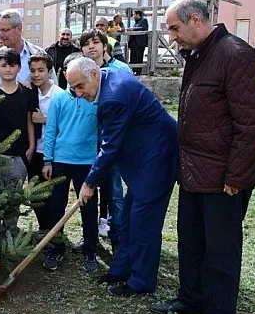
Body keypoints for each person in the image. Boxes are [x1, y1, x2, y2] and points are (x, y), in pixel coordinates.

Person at [149, 0, 255, 314]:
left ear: (196, 20)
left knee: (221, 248)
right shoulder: (199, 57)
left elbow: (252, 123)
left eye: (174, 28)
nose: (172, 38)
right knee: (190, 239)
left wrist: (236, 176)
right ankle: (191, 298)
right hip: (193, 171)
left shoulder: (235, 54)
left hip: (223, 178)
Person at [67, 57, 178, 298]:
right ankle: (120, 270)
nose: (77, 93)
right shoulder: (106, 77)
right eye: (72, 88)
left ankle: (141, 282)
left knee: (143, 224)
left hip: (157, 157)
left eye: (80, 86)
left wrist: (89, 183)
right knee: (129, 217)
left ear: (94, 75)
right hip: (143, 156)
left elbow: (110, 146)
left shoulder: (113, 97)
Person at [41, 55, 99, 273]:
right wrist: (48, 159)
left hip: (87, 163)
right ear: (64, 75)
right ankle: (57, 248)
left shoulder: (94, 98)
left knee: (89, 208)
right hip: (60, 161)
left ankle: (90, 250)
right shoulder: (59, 100)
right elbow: (51, 131)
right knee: (56, 206)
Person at [79, 27, 128, 245]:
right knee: (90, 191)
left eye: (95, 42)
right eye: (87, 43)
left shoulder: (120, 70)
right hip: (88, 142)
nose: (91, 46)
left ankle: (118, 236)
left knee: (115, 192)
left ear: (104, 46)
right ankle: (91, 235)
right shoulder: (79, 72)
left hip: (113, 142)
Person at [0, 48, 37, 233]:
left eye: (12, 65)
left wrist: (31, 146)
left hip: (18, 154)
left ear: (19, 68)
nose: (8, 69)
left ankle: (10, 231)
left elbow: (29, 120)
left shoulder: (26, 92)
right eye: (4, 65)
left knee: (13, 196)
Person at [26, 53, 66, 234]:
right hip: (35, 151)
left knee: (54, 196)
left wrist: (44, 119)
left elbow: (67, 125)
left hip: (55, 153)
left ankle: (56, 233)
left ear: (49, 72)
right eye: (32, 71)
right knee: (35, 194)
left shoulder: (59, 95)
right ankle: (43, 229)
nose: (36, 75)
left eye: (41, 70)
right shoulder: (30, 93)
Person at [0, 9, 55, 85]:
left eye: (5, 30)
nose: (1, 35)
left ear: (19, 28)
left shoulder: (38, 53)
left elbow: (53, 86)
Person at [128, 10, 149, 75]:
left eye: (134, 14)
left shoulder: (144, 20)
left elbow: (144, 28)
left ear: (138, 14)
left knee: (139, 57)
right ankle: (133, 70)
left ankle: (138, 71)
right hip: (134, 43)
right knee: (133, 57)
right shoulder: (136, 23)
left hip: (140, 43)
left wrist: (133, 29)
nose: (133, 16)